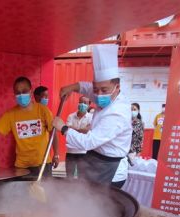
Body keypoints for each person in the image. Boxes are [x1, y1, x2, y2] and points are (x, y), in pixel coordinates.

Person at [52, 44, 132, 185]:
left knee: (97, 198)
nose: (98, 95)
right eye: (96, 89)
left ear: (117, 87)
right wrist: (72, 87)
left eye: (104, 90)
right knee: (82, 191)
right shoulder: (107, 95)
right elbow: (87, 88)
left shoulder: (117, 113)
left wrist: (63, 128)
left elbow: (88, 142)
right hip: (94, 158)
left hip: (109, 167)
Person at [0, 77, 59, 176]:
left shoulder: (43, 110)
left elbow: (53, 133)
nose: (21, 95)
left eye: (24, 91)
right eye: (18, 92)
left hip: (43, 163)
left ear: (30, 91)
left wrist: (56, 154)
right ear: (14, 94)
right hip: (22, 166)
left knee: (46, 187)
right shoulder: (10, 115)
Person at [65, 96, 92, 178]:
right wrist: (82, 129)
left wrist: (73, 129)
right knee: (69, 177)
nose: (82, 104)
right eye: (80, 102)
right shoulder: (71, 116)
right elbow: (67, 131)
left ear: (89, 105)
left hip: (84, 152)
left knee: (82, 177)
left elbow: (87, 130)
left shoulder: (91, 117)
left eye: (85, 103)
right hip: (71, 151)